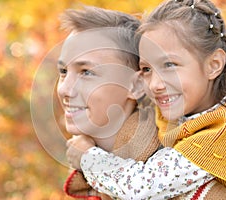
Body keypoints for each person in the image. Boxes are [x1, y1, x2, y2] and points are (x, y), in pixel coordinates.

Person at [65, 0, 226, 199]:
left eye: (169, 65)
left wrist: (88, 157)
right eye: (147, 69)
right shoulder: (185, 110)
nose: (155, 84)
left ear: (213, 65)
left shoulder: (224, 129)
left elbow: (141, 188)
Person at [58, 6, 161, 199]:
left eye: (86, 72)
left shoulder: (168, 171)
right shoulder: (88, 178)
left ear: (137, 85)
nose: (64, 89)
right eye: (63, 72)